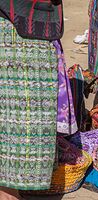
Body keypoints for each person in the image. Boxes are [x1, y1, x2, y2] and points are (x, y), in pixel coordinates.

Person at [0, 0, 77, 199]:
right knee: (17, 121)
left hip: (28, 34)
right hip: (18, 36)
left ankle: (12, 188)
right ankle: (9, 189)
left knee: (22, 122)